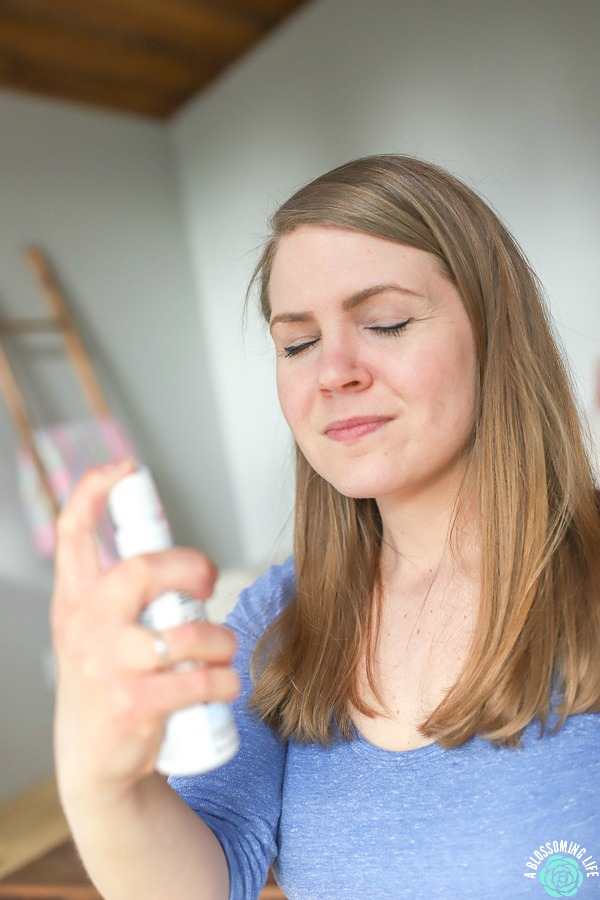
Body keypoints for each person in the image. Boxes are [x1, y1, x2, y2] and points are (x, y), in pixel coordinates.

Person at [52, 155, 600, 899]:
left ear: (496, 332)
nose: (332, 371)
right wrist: (96, 780)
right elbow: (200, 882)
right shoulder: (279, 623)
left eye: (386, 323)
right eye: (298, 343)